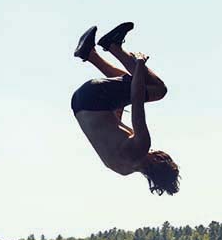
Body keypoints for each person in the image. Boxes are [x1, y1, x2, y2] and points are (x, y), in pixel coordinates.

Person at [70, 23, 180, 195]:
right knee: (128, 86)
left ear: (160, 160)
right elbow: (107, 129)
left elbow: (137, 100)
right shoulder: (123, 169)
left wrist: (139, 65)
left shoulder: (142, 146)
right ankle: (90, 54)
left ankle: (112, 46)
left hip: (94, 97)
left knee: (158, 89)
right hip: (79, 104)